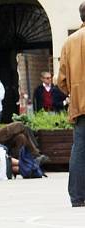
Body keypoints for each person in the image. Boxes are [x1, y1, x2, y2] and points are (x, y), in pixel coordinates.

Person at [58, 2, 85, 207]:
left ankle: (77, 196)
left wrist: (75, 92)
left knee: (80, 149)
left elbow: (61, 80)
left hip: (80, 104)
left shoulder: (69, 42)